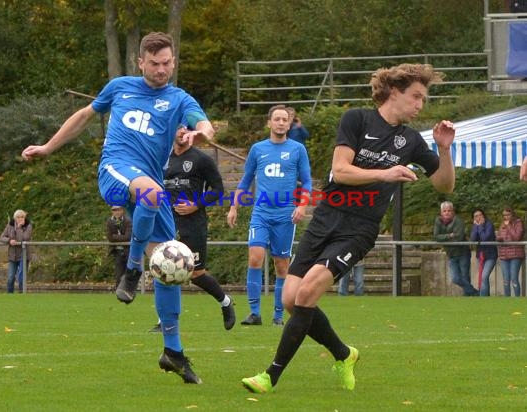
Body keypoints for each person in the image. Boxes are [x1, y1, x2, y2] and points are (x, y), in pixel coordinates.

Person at [241, 63, 456, 394]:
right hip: (327, 217)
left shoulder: (411, 141)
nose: (420, 105)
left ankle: (270, 375)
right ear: (395, 92)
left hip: (359, 228)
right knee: (289, 299)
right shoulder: (356, 119)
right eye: (416, 97)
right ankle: (344, 354)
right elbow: (340, 171)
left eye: (423, 99)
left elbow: (444, 186)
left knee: (308, 291)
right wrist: (385, 174)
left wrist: (444, 149)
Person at [21, 32, 214, 384]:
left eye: (167, 63)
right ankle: (133, 267)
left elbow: (203, 122)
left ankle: (173, 351)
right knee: (153, 196)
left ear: (173, 61)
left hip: (149, 187)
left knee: (171, 262)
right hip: (116, 170)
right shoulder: (119, 86)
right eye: (154, 63)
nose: (161, 69)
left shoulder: (178, 98)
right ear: (140, 62)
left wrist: (200, 133)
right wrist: (48, 147)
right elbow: (83, 115)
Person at [228, 105, 312, 327]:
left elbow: (308, 181)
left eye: (285, 119)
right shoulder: (258, 149)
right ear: (269, 123)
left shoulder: (297, 149)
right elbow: (246, 180)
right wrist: (234, 207)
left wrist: (302, 206)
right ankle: (254, 313)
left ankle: (278, 315)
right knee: (255, 257)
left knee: (282, 265)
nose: (281, 123)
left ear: (289, 123)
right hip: (261, 212)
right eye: (277, 119)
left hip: (285, 214)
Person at [157, 127, 236, 330]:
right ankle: (165, 320)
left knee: (196, 274)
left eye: (186, 128)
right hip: (167, 222)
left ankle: (225, 302)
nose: (182, 131)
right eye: (178, 126)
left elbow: (218, 190)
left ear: (192, 133)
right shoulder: (163, 158)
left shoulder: (201, 159)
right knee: (164, 269)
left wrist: (196, 204)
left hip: (193, 224)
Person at [434, 201, 478, 296]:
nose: (447, 213)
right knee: (455, 278)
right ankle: (474, 292)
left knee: (465, 276)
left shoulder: (458, 220)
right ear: (441, 212)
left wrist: (444, 238)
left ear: (453, 211)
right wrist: (449, 236)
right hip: (451, 254)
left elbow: (458, 237)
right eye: (444, 211)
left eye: (449, 210)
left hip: (463, 252)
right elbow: (436, 237)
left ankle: (468, 296)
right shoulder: (438, 221)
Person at [0, 210, 32, 293]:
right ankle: (10, 294)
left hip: (23, 256)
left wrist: (19, 228)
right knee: (10, 278)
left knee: (21, 278)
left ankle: (22, 294)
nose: (20, 218)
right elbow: (1, 238)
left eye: (22, 217)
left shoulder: (28, 226)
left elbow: (24, 238)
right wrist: (9, 240)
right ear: (15, 218)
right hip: (12, 256)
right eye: (18, 217)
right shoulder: (9, 225)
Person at [496, 207, 525, 297]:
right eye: (504, 215)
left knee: (514, 278)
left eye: (508, 215)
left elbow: (517, 237)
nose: (506, 217)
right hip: (504, 255)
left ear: (512, 214)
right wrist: (498, 238)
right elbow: (502, 237)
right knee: (506, 280)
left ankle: (517, 300)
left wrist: (508, 226)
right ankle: (507, 301)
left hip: (515, 254)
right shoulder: (502, 224)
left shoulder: (518, 223)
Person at [469, 208, 498, 296]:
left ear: (484, 215)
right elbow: (473, 239)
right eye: (476, 216)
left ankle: (483, 299)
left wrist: (480, 227)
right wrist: (476, 227)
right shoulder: (475, 226)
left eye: (480, 215)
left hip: (490, 255)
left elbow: (485, 238)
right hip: (480, 255)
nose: (478, 217)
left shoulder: (489, 224)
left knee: (484, 276)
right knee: (483, 278)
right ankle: (486, 298)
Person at [106, 205, 132, 288]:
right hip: (117, 251)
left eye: (118, 210)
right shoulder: (109, 221)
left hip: (128, 250)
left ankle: (128, 291)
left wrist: (114, 237)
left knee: (128, 272)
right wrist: (120, 238)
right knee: (118, 274)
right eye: (114, 210)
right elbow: (109, 238)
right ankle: (118, 292)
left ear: (122, 210)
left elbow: (128, 237)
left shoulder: (128, 220)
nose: (116, 212)